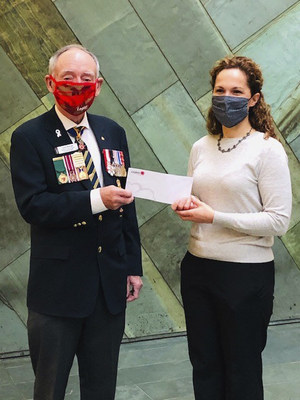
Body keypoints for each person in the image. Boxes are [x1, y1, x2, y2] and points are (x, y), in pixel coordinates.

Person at [10, 44, 143, 400]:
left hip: (108, 285)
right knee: (50, 388)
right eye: (68, 78)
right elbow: (34, 206)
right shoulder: (29, 137)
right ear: (50, 82)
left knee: (102, 388)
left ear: (98, 85)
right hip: (58, 291)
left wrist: (133, 266)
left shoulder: (112, 132)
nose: (77, 85)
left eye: (86, 79)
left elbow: (126, 205)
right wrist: (96, 199)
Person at [171, 56, 292, 400]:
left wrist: (215, 217)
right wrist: (184, 203)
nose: (227, 97)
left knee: (241, 369)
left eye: (236, 91)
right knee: (205, 365)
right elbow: (197, 199)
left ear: (254, 98)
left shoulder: (268, 150)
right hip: (197, 269)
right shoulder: (200, 147)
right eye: (220, 90)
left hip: (245, 276)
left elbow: (279, 220)